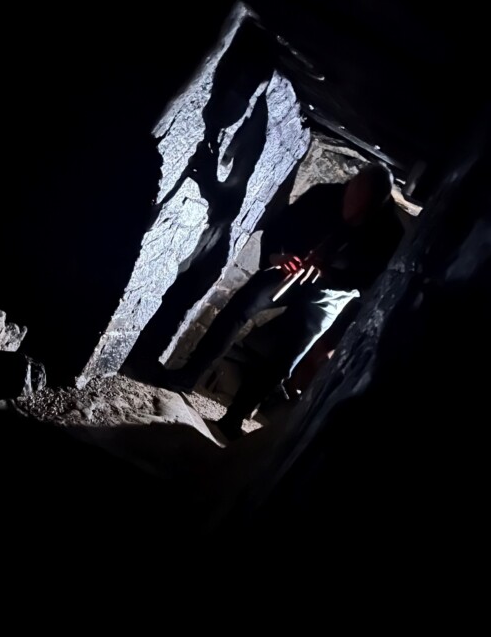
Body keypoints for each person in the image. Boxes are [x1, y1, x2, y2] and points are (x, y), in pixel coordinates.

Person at [158, 163, 404, 439]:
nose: (353, 214)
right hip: (289, 268)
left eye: (362, 213)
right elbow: (279, 227)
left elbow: (371, 280)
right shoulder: (323, 195)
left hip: (329, 293)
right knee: (240, 308)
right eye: (351, 202)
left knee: (290, 351)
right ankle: (188, 375)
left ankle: (235, 416)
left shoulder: (390, 232)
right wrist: (277, 257)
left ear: (379, 205)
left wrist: (329, 273)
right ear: (350, 185)